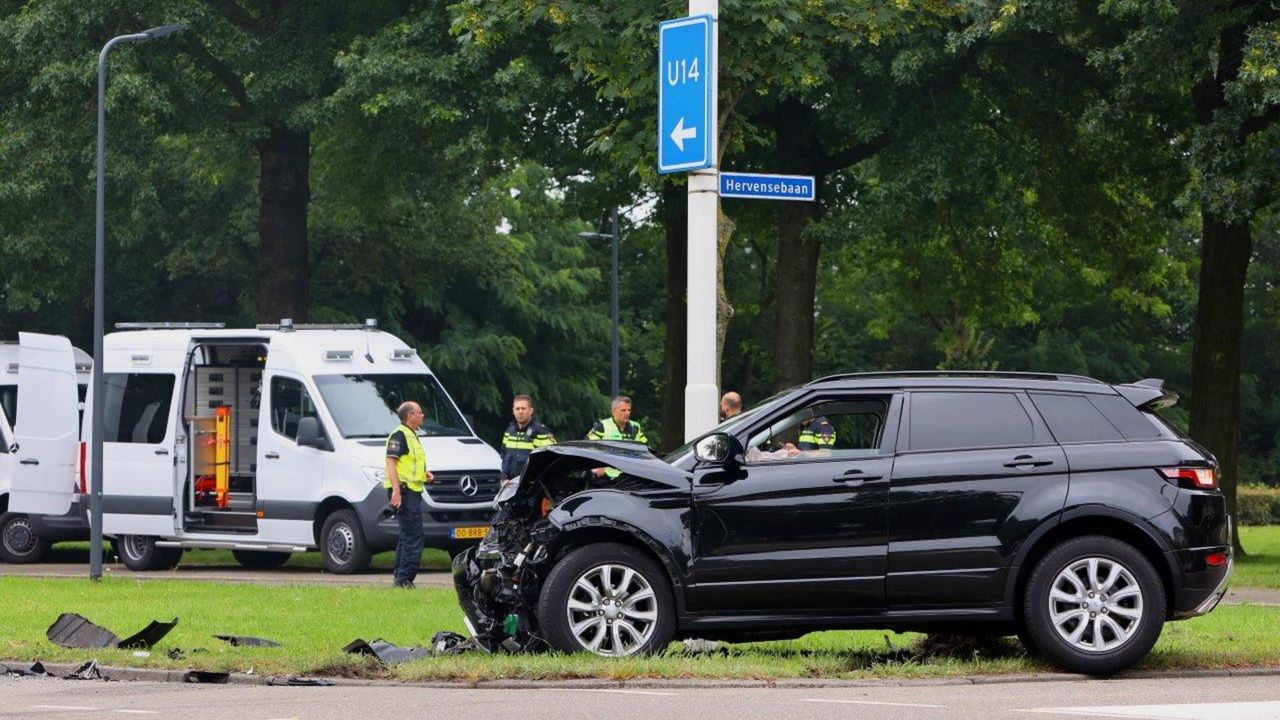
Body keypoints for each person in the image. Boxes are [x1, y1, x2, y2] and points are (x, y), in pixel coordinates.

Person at [385, 401, 434, 589]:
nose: (423, 416)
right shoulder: (400, 435)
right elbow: (391, 462)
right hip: (404, 492)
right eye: (420, 413)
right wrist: (396, 490)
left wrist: (425, 474)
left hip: (411, 490)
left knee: (406, 537)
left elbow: (408, 465)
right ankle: (405, 580)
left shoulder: (412, 435)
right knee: (414, 536)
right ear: (410, 416)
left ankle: (400, 578)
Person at [586, 395, 648, 477]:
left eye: (629, 410)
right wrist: (598, 467)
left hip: (631, 475)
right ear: (613, 411)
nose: (627, 413)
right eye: (623, 410)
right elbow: (586, 448)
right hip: (606, 477)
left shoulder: (635, 426)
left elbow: (647, 449)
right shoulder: (602, 426)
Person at [500, 394, 556, 480]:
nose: (520, 412)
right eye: (517, 409)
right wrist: (504, 479)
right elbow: (504, 457)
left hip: (532, 487)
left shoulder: (541, 432)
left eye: (523, 408)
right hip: (510, 486)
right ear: (513, 411)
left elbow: (552, 461)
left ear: (531, 411)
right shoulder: (509, 432)